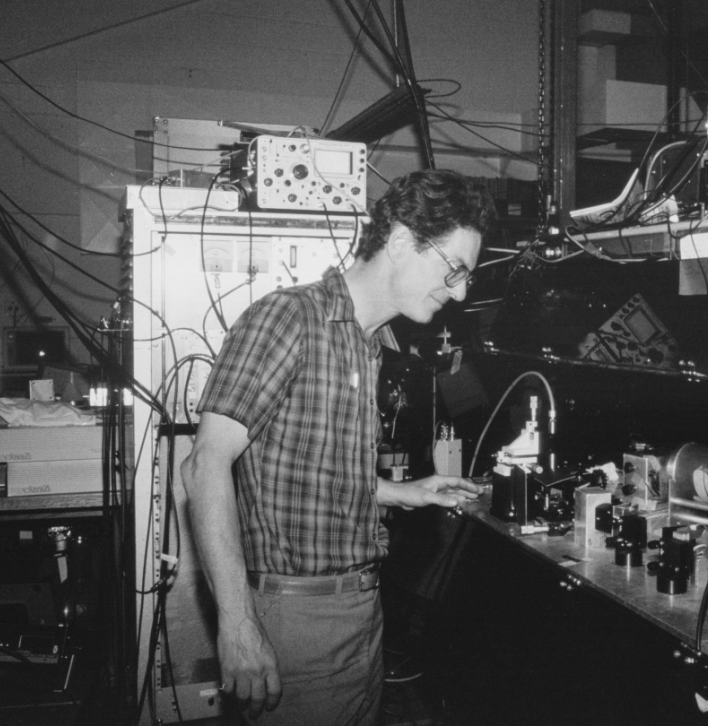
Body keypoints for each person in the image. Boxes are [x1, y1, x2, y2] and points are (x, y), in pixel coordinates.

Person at [180, 168, 497, 724]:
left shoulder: (366, 342)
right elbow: (205, 465)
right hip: (297, 617)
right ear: (401, 243)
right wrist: (236, 624)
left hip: (358, 612)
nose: (461, 291)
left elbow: (308, 470)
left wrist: (404, 493)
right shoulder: (291, 319)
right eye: (454, 270)